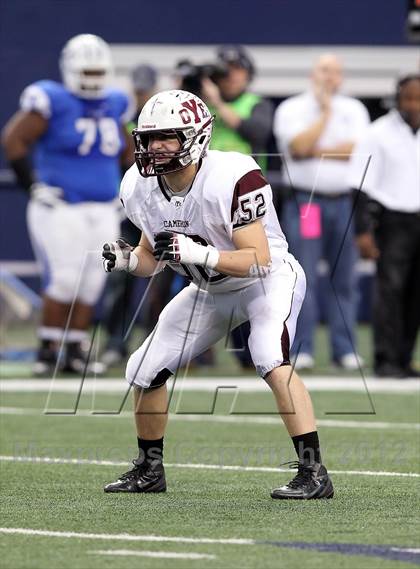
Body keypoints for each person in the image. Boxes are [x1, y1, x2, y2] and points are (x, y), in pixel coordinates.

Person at [101, 89, 334, 499]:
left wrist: (198, 252)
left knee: (268, 355)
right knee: (143, 368)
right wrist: (126, 261)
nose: (155, 147)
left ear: (197, 136)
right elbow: (150, 259)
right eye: (150, 138)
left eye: (167, 137)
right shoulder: (138, 186)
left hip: (266, 279)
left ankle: (314, 473)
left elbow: (259, 258)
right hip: (209, 289)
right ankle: (149, 470)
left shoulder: (231, 176)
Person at [1, 34, 133, 375]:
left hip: (103, 207)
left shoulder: (116, 102)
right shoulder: (52, 99)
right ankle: (47, 349)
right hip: (60, 206)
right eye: (85, 72)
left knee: (92, 281)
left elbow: (127, 152)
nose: (91, 79)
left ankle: (75, 348)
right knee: (64, 279)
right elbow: (14, 140)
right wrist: (32, 185)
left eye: (97, 72)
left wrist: (129, 190)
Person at [273, 54, 370, 371]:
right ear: (313, 74)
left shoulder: (355, 109)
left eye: (337, 72)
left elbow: (360, 151)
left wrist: (316, 149)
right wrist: (325, 115)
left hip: (342, 202)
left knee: (344, 278)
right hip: (308, 204)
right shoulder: (292, 108)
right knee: (305, 276)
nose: (331, 77)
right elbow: (298, 148)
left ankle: (345, 349)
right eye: (325, 70)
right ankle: (303, 348)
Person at [201, 45, 274, 367]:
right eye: (224, 71)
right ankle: (197, 350)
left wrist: (216, 102)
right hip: (201, 200)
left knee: (247, 272)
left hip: (241, 201)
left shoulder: (256, 104)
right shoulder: (199, 106)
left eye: (235, 70)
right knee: (190, 270)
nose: (229, 77)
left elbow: (257, 131)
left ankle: (248, 351)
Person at [350, 74, 420, 378]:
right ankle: (385, 359)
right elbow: (360, 184)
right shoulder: (376, 133)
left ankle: (404, 358)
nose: (415, 105)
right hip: (392, 220)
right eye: (410, 98)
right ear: (398, 99)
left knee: (416, 294)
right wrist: (363, 231)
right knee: (390, 291)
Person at [101, 64, 158, 367]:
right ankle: (115, 342)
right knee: (122, 274)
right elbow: (122, 158)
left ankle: (155, 342)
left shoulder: (163, 124)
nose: (142, 94)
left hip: (160, 209)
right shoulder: (123, 120)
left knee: (161, 278)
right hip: (128, 207)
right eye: (139, 89)